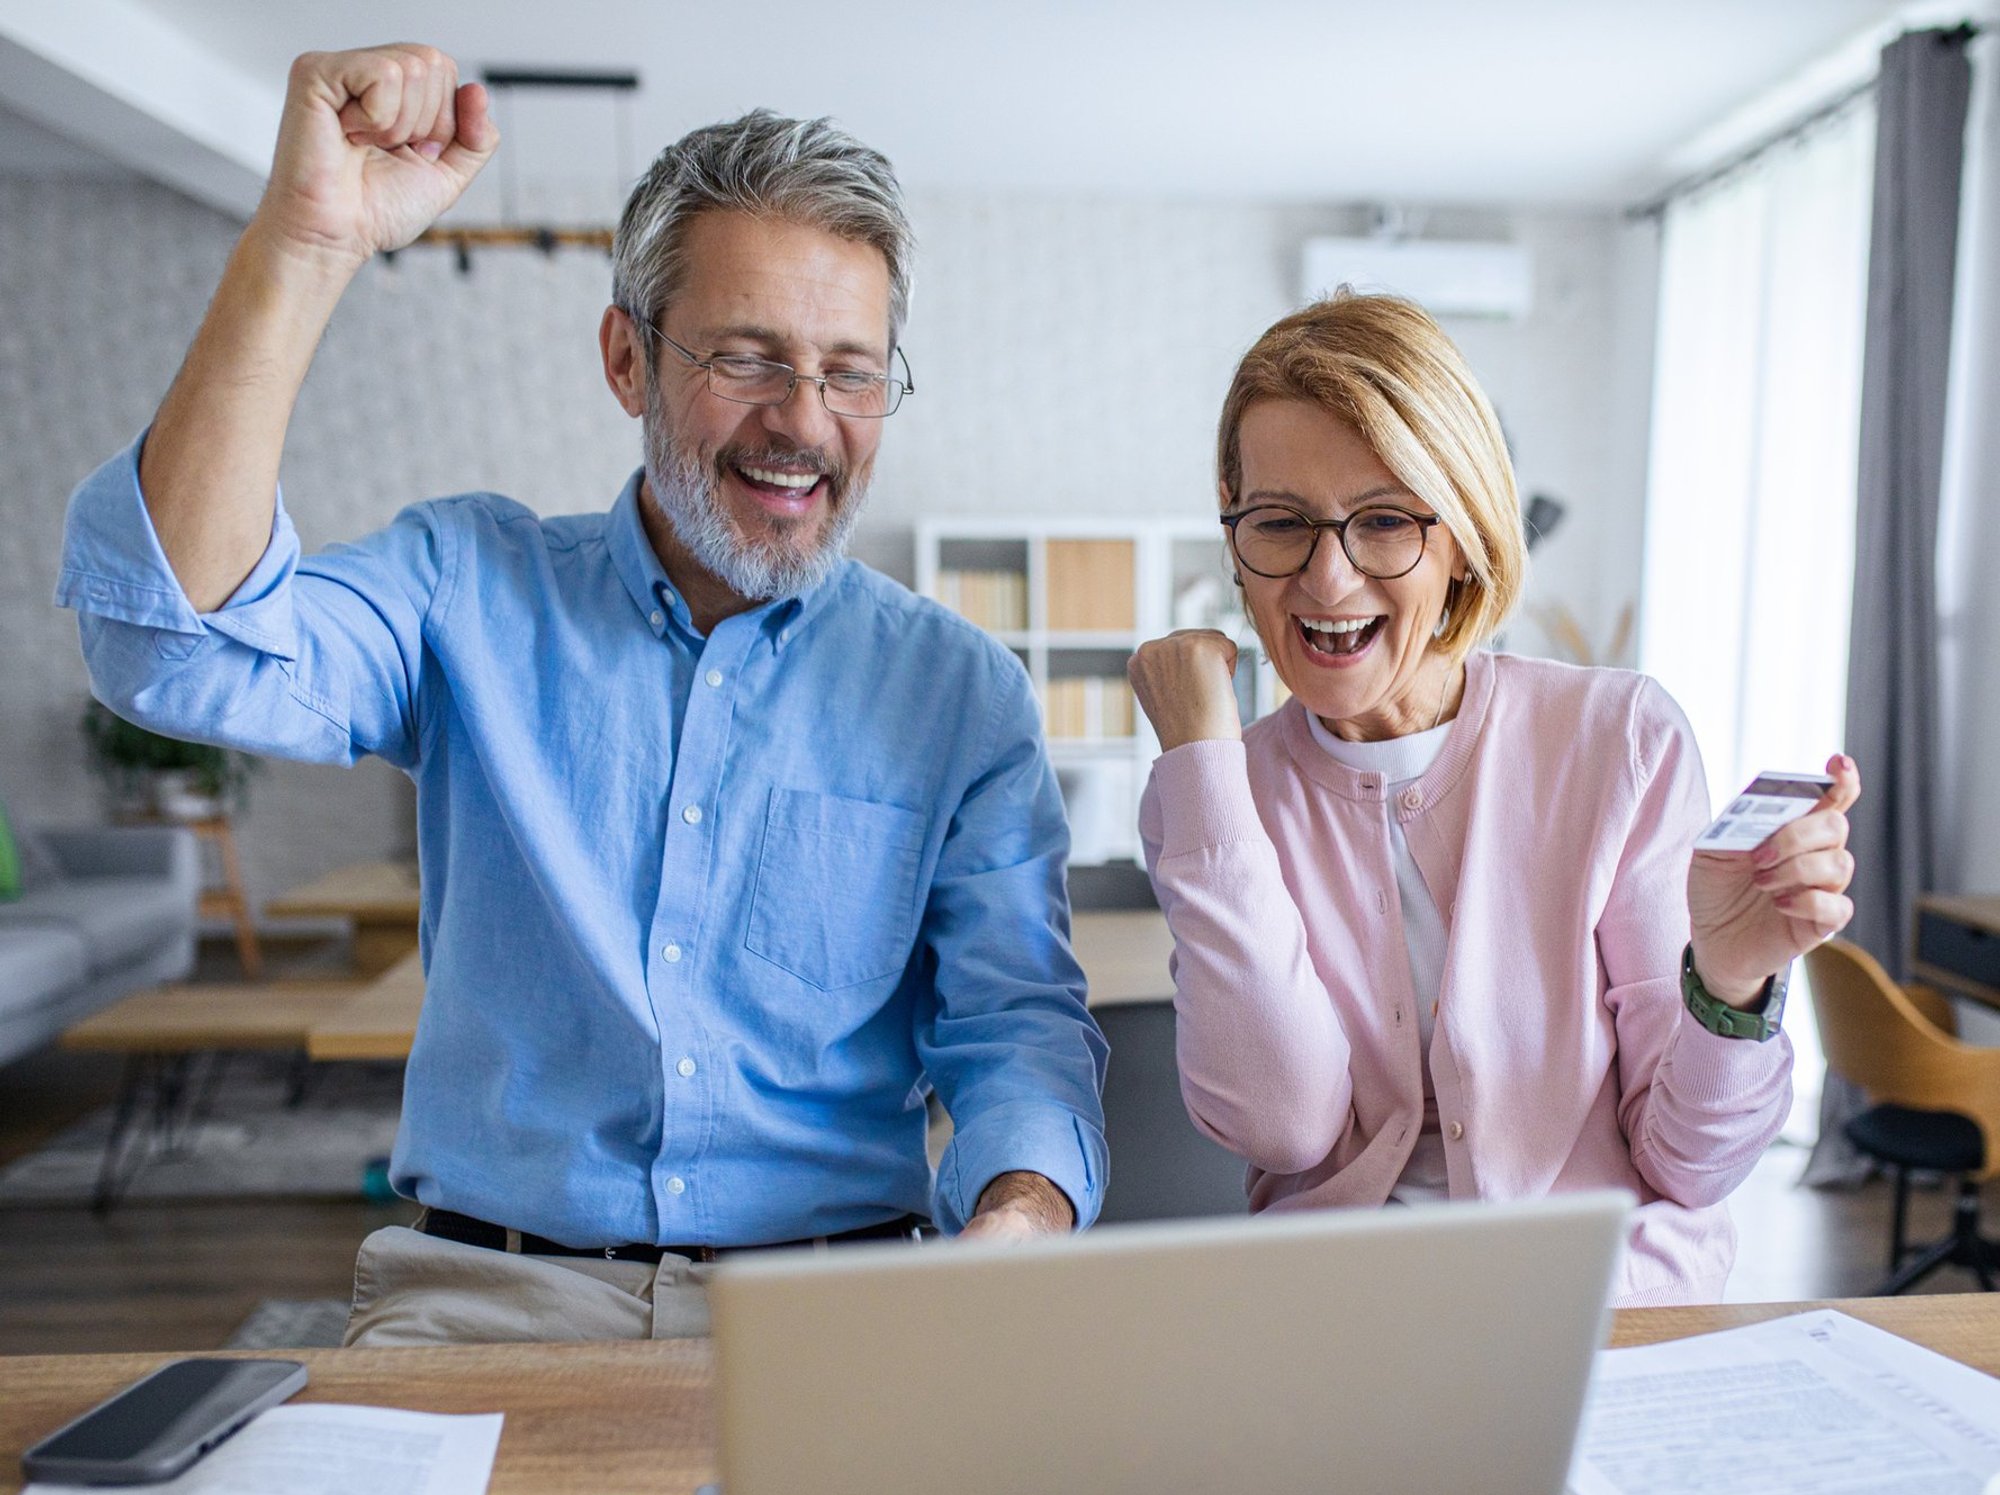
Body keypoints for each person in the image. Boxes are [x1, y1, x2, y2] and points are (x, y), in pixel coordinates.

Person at [58, 44, 1106, 1344]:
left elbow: (1015, 1028)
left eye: (850, 371)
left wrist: (1017, 1213)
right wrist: (307, 244)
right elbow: (176, 643)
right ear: (627, 359)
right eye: (747, 357)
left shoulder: (960, 694)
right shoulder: (465, 586)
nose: (804, 420)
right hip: (492, 1296)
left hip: (832, 1304)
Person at [1126, 293, 1858, 1305]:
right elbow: (1278, 1122)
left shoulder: (1619, 741)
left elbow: (1690, 1166)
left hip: (1605, 1322)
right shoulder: (1212, 789)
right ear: (1233, 524)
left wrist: (1726, 989)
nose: (1326, 581)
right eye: (1281, 523)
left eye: (1383, 521)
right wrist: (1203, 764)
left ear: (1464, 532)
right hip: (1345, 1327)